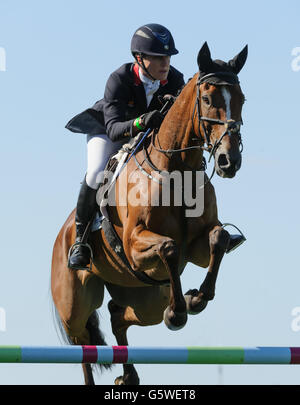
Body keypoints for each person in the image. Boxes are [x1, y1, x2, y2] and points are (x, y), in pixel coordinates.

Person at [66, 23, 185, 270]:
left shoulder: (175, 80)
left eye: (168, 57)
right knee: (98, 171)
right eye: (158, 57)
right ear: (139, 58)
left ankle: (199, 228)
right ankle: (81, 239)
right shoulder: (119, 79)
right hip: (108, 132)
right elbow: (114, 129)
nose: (166, 63)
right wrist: (143, 121)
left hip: (146, 138)